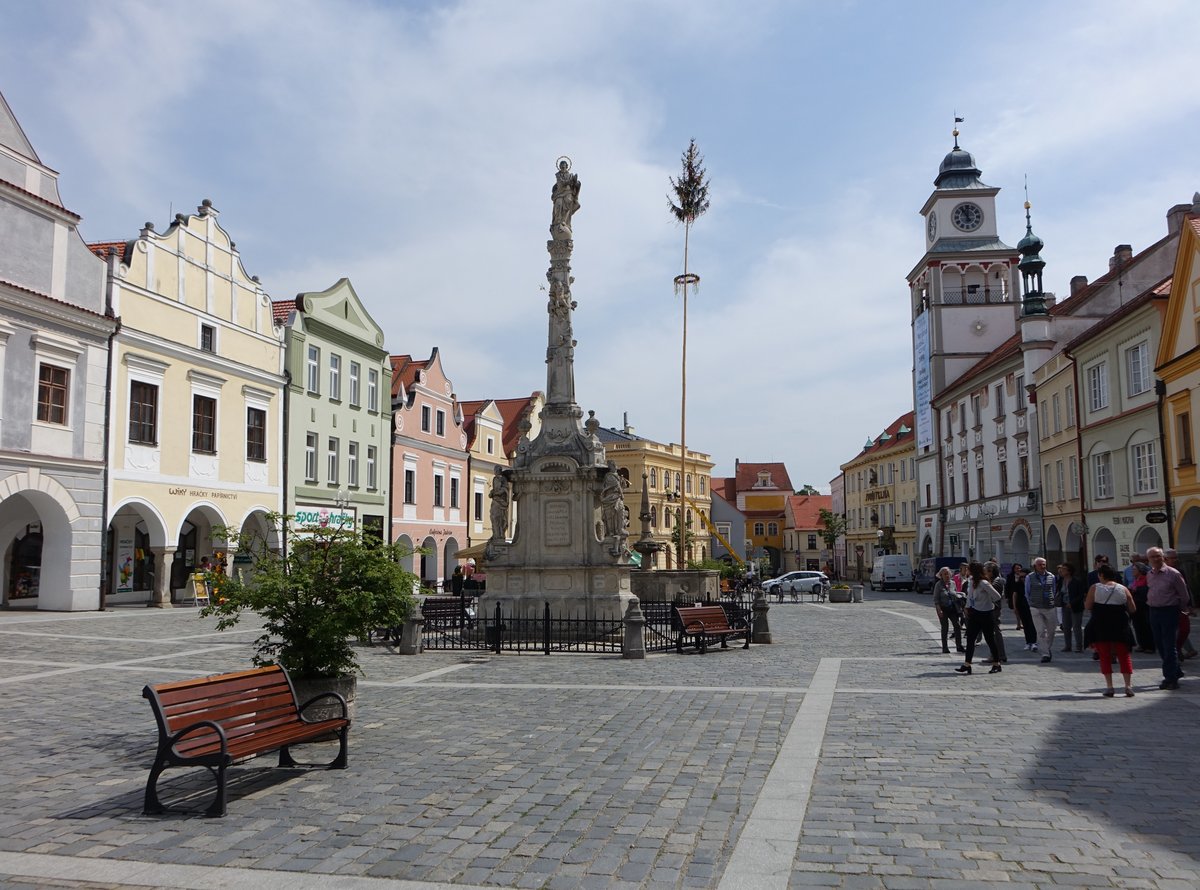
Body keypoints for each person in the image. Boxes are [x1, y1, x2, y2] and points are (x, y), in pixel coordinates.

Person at [1084, 564, 1137, 697]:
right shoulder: (1123, 588)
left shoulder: (1095, 587)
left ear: (1101, 575)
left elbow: (1088, 605)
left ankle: (1110, 687)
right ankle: (1128, 686)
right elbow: (1132, 609)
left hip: (1101, 624)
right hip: (1120, 624)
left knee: (1104, 655)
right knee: (1124, 655)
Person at [1146, 547, 1190, 689]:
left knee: (1169, 645)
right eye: (1152, 557)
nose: (1156, 559)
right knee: (1159, 644)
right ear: (1149, 560)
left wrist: (1180, 608)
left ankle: (1170, 678)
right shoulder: (1150, 574)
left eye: (1158, 556)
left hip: (1169, 611)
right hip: (1153, 611)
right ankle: (1176, 670)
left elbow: (1184, 595)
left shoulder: (1173, 574)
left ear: (1163, 557)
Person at [955, 562, 1002, 675]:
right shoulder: (971, 581)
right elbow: (970, 596)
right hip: (975, 613)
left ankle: (996, 663)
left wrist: (988, 602)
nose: (966, 571)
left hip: (986, 614)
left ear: (973, 570)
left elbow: (997, 596)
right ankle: (967, 664)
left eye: (968, 569)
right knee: (970, 639)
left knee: (989, 639)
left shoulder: (984, 583)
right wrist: (967, 607)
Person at [1025, 557, 1059, 662]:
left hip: (1049, 606)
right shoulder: (1029, 577)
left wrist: (1051, 600)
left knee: (1052, 631)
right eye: (1040, 564)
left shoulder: (1051, 576)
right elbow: (1027, 592)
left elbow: (1053, 589)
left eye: (1044, 564)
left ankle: (1046, 649)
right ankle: (1045, 654)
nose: (1042, 566)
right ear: (1035, 566)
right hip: (1035, 607)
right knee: (1040, 631)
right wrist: (1031, 603)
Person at [932, 567, 964, 654]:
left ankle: (959, 646)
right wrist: (939, 610)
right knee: (945, 628)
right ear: (941, 575)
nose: (947, 575)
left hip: (953, 608)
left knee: (957, 626)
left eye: (948, 573)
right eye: (944, 574)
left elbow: (955, 594)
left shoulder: (952, 583)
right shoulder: (938, 585)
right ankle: (945, 647)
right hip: (943, 608)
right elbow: (936, 599)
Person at [1058, 563, 1087, 653]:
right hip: (1064, 606)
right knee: (1066, 627)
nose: (1061, 570)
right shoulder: (1061, 580)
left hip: (1076, 607)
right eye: (1061, 569)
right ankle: (1068, 646)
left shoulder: (1076, 581)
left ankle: (1079, 646)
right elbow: (1059, 592)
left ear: (1069, 571)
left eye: (1064, 569)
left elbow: (1081, 594)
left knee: (1076, 627)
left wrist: (1072, 603)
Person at [1128, 560, 1155, 652]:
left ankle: (1150, 646)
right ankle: (1142, 644)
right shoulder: (1135, 580)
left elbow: (1148, 591)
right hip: (1136, 607)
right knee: (1137, 626)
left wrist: (1137, 590)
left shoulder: (1146, 578)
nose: (1132, 571)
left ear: (1140, 570)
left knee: (1146, 626)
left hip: (1144, 606)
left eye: (1134, 569)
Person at [984, 562, 1008, 664]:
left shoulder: (997, 582)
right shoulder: (993, 580)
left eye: (985, 571)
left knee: (994, 633)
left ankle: (999, 655)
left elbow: (989, 594)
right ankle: (997, 655)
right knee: (993, 633)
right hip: (992, 609)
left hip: (994, 610)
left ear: (991, 572)